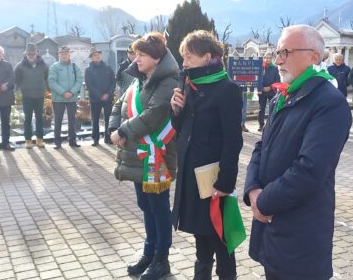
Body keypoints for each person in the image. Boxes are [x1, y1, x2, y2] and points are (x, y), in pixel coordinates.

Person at [243, 25, 351, 280]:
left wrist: (263, 202)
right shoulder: (284, 97)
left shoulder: (329, 103)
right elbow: (262, 147)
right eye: (278, 51)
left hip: (301, 232)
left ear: (314, 57)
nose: (279, 59)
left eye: (286, 52)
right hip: (272, 228)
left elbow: (310, 170)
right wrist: (252, 189)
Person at [170, 30, 243, 280]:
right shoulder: (189, 86)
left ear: (207, 57)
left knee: (223, 245)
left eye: (189, 57)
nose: (185, 63)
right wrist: (176, 111)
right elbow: (182, 131)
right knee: (202, 244)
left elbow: (233, 140)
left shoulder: (227, 90)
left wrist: (225, 182)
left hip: (214, 180)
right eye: (183, 57)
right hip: (193, 177)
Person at [109, 32, 178, 280]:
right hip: (138, 154)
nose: (136, 59)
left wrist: (123, 131)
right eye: (135, 54)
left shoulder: (168, 81)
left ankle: (162, 258)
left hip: (156, 155)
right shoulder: (139, 79)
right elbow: (120, 104)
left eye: (142, 55)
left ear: (157, 58)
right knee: (145, 205)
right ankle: (149, 251)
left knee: (158, 207)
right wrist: (113, 127)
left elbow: (154, 114)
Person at [48, 46, 83, 149]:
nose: (64, 55)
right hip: (58, 98)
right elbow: (51, 81)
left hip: (71, 98)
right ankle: (57, 142)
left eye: (66, 53)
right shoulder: (54, 67)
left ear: (69, 54)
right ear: (59, 55)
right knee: (58, 120)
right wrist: (63, 92)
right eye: (62, 53)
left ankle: (72, 141)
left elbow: (79, 80)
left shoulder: (74, 67)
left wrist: (71, 92)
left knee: (72, 121)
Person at [15, 43, 49, 149]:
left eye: (33, 54)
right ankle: (28, 140)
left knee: (39, 118)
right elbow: (16, 80)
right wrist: (19, 91)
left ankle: (40, 140)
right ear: (26, 54)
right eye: (29, 54)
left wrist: (47, 90)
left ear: (36, 53)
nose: (31, 55)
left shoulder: (43, 65)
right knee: (28, 119)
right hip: (27, 96)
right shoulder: (20, 66)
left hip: (39, 95)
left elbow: (47, 78)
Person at [85, 47, 116, 146]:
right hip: (95, 99)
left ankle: (108, 138)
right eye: (95, 55)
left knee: (108, 119)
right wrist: (99, 95)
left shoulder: (108, 67)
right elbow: (89, 84)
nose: (97, 56)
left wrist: (108, 94)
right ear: (91, 58)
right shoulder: (88, 70)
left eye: (98, 54)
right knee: (95, 119)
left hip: (108, 98)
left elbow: (113, 82)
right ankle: (95, 139)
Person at [258, 52, 279, 131]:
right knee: (261, 109)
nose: (268, 59)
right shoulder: (260, 68)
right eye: (266, 58)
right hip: (262, 92)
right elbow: (257, 79)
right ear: (263, 58)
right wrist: (262, 87)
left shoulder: (275, 69)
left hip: (271, 91)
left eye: (269, 58)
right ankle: (261, 125)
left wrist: (270, 87)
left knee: (272, 108)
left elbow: (277, 80)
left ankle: (270, 124)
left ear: (272, 59)